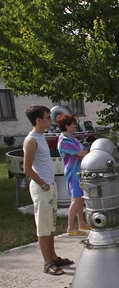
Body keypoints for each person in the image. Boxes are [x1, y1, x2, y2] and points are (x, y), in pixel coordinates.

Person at [23, 105, 74, 275]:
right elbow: (27, 168)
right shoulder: (31, 140)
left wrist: (49, 185)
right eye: (47, 117)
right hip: (41, 187)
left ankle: (53, 257)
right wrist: (43, 185)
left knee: (51, 224)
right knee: (44, 226)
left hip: (49, 186)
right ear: (38, 120)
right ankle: (47, 263)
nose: (50, 120)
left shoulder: (41, 137)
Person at [56, 114, 90, 236]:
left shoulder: (72, 138)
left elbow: (82, 152)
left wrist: (82, 153)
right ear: (66, 126)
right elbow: (82, 153)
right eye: (73, 124)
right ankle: (70, 227)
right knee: (75, 200)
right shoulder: (64, 141)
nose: (75, 125)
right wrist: (83, 153)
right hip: (73, 173)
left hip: (78, 171)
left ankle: (82, 222)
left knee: (79, 199)